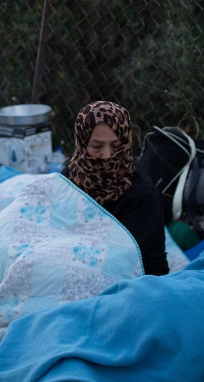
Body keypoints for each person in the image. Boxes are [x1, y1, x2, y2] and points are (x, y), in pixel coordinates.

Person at [65, 100, 168, 276]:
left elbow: (150, 263)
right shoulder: (67, 181)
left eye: (116, 146)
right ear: (82, 144)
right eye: (97, 146)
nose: (107, 156)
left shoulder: (142, 194)